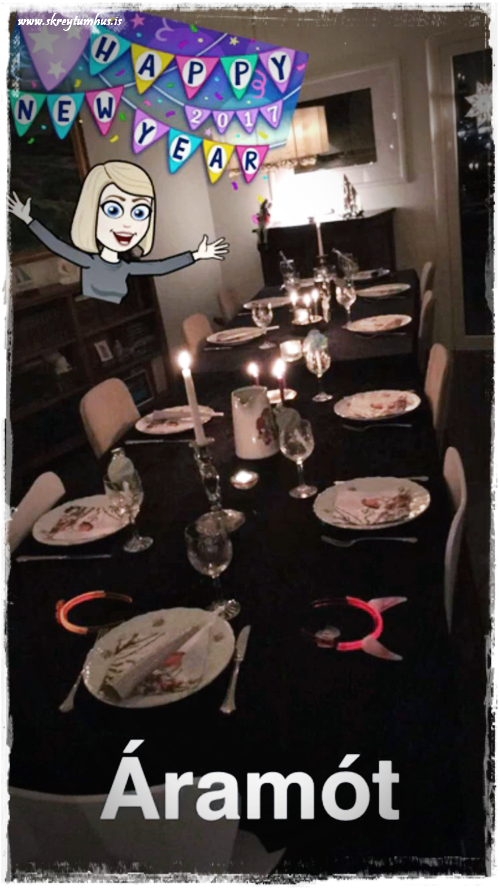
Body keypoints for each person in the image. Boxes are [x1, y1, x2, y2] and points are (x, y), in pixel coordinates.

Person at [8, 160, 230, 304]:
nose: (127, 225)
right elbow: (56, 245)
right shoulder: (89, 261)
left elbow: (161, 266)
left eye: (139, 212)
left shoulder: (127, 266)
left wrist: (197, 254)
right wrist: (28, 219)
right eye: (113, 210)